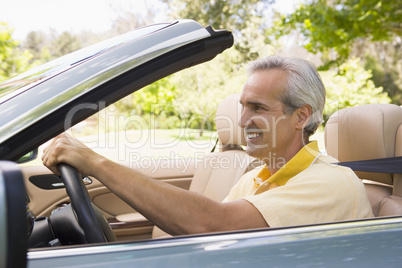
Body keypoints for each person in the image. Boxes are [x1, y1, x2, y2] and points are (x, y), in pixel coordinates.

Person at [42, 56, 374, 236]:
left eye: (257, 108)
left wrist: (94, 163)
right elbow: (210, 238)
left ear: (300, 116)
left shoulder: (330, 182)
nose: (242, 121)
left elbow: (212, 224)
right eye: (243, 106)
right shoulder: (255, 177)